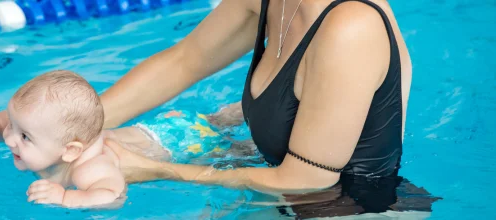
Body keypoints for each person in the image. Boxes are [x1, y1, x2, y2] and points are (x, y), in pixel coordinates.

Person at [98, 0, 438, 216]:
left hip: (356, 211)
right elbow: (183, 61)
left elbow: (308, 179)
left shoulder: (351, 26)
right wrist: (77, 125)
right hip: (280, 196)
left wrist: (153, 170)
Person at [0, 70, 249, 207]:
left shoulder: (91, 168)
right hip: (164, 125)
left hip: (185, 141)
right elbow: (27, 126)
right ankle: (240, 109)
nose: (10, 138)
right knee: (218, 119)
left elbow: (114, 196)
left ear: (71, 151)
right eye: (11, 126)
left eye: (24, 136)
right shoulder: (56, 142)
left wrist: (67, 197)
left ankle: (247, 110)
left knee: (240, 149)